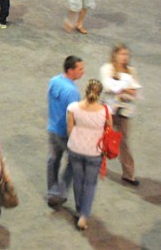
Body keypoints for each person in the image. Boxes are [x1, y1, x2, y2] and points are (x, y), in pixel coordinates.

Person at [66, 79, 108, 231]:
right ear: (99, 93)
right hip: (94, 152)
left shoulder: (73, 108)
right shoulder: (105, 110)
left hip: (76, 149)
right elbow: (108, 130)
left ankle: (79, 209)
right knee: (90, 184)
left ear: (85, 90)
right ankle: (84, 215)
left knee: (78, 180)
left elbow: (70, 129)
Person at [47, 55, 84, 208]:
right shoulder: (72, 92)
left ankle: (52, 190)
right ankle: (60, 193)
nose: (83, 71)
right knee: (74, 162)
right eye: (80, 69)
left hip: (52, 128)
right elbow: (74, 116)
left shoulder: (54, 81)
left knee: (53, 159)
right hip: (65, 132)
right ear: (70, 70)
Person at [100, 43, 140, 186]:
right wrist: (125, 87)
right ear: (115, 55)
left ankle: (129, 174)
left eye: (126, 54)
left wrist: (121, 88)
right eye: (122, 54)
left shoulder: (131, 71)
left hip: (125, 111)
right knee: (103, 135)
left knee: (124, 142)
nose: (124, 57)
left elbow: (134, 92)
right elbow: (108, 86)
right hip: (109, 109)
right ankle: (95, 162)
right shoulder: (107, 69)